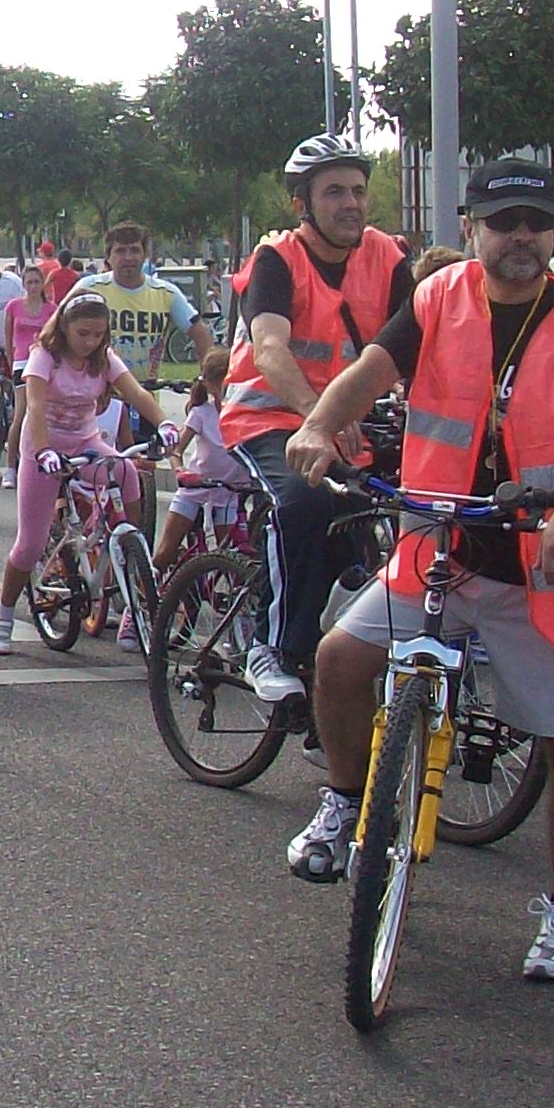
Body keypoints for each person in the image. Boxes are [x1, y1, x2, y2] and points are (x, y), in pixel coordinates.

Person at [286, 156, 554, 985]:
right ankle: (345, 801)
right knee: (340, 659)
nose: (521, 238)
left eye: (536, 224)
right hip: (441, 548)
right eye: (504, 223)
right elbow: (373, 369)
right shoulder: (439, 297)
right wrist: (319, 424)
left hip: (542, 568)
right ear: (473, 229)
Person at [220, 135, 413, 708]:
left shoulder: (387, 257)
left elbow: (420, 346)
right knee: (305, 500)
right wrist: (318, 417)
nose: (351, 203)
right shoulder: (277, 260)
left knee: (412, 503)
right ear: (302, 204)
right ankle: (271, 646)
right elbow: (269, 349)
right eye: (334, 192)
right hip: (268, 417)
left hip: (347, 422)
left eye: (358, 190)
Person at [0, 289, 166, 657]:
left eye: (98, 335)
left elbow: (136, 393)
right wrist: (43, 451)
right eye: (83, 333)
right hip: (43, 448)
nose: (90, 342)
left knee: (126, 471)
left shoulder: (104, 359)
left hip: (86, 442)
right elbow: (35, 407)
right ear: (65, 328)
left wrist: (164, 424)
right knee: (30, 543)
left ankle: (128, 544)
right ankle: (2, 617)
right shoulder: (45, 357)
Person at [75, 224, 215, 407]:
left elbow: (200, 334)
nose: (128, 257)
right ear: (108, 257)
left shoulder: (165, 293)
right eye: (120, 251)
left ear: (145, 255)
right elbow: (58, 328)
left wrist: (206, 379)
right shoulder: (89, 287)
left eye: (135, 250)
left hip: (145, 399)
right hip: (96, 399)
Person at [153, 360, 250, 574]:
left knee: (231, 558)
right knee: (166, 551)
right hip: (195, 489)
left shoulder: (245, 414)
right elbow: (176, 451)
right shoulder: (201, 413)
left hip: (229, 491)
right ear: (210, 386)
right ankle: (149, 588)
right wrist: (180, 471)